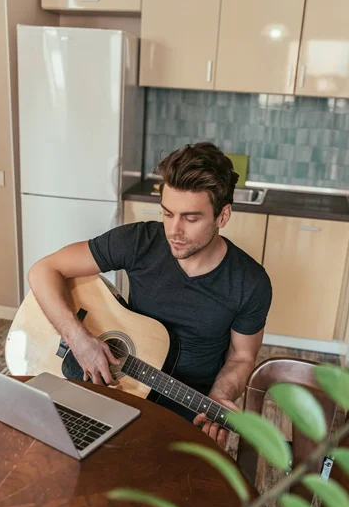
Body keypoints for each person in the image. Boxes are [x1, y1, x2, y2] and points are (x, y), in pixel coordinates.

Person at [28, 142, 272, 448]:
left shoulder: (250, 282)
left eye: (191, 218)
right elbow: (43, 270)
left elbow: (242, 356)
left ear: (223, 216)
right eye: (168, 213)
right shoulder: (140, 241)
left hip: (187, 408)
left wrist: (220, 396)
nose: (174, 230)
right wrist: (78, 339)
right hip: (120, 387)